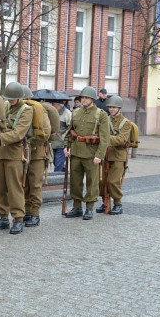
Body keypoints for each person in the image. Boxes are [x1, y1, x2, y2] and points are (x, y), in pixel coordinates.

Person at [0, 82, 33, 235]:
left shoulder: (27, 111)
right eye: (8, 98)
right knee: (0, 188)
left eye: (13, 99)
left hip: (15, 154)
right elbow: (0, 125)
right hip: (0, 153)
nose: (10, 101)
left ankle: (18, 218)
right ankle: (3, 217)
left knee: (15, 188)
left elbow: (19, 133)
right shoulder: (6, 107)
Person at [64, 86, 110, 220]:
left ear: (92, 99)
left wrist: (99, 155)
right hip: (76, 152)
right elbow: (69, 131)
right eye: (82, 98)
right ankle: (77, 207)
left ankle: (89, 207)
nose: (83, 100)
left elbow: (105, 138)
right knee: (75, 181)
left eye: (86, 98)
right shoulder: (76, 113)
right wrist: (66, 147)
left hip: (91, 154)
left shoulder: (100, 114)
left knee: (92, 182)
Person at [21, 86, 51, 228]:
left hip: (37, 153)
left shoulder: (39, 111)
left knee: (35, 184)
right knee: (24, 184)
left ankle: (35, 213)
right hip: (22, 153)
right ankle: (27, 211)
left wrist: (28, 141)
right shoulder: (19, 111)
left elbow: (45, 133)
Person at [97, 95, 132, 215]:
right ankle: (105, 201)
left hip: (118, 156)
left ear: (119, 108)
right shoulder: (104, 119)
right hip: (104, 155)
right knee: (101, 182)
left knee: (113, 181)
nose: (111, 109)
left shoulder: (126, 123)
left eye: (114, 107)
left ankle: (118, 203)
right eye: (110, 107)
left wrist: (104, 138)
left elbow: (121, 140)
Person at [51, 100, 72, 172]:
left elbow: (71, 128)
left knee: (58, 164)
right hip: (52, 142)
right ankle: (63, 174)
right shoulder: (51, 112)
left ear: (58, 104)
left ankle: (56, 181)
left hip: (62, 143)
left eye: (53, 103)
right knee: (54, 161)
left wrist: (65, 137)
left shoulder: (67, 113)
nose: (52, 105)